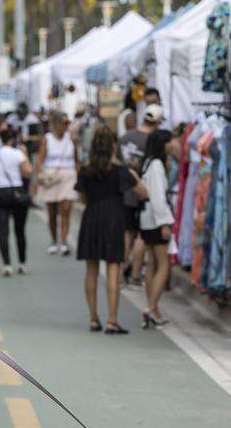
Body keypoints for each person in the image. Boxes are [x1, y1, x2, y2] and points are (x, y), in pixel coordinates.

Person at [75, 127, 148, 334]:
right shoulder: (120, 171)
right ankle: (112, 320)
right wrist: (132, 172)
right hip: (114, 218)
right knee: (113, 269)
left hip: (91, 217)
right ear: (113, 146)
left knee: (91, 269)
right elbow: (143, 192)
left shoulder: (86, 170)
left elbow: (81, 197)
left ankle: (93, 319)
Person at [119, 105, 164, 286]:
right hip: (143, 191)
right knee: (140, 236)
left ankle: (121, 269)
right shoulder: (152, 140)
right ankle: (135, 275)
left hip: (124, 191)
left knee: (127, 233)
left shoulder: (125, 138)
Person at [138, 129, 175, 328]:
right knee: (163, 264)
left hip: (146, 219)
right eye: (170, 141)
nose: (173, 144)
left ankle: (153, 307)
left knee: (152, 262)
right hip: (156, 219)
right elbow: (159, 197)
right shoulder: (157, 165)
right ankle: (151, 306)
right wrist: (165, 223)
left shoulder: (147, 163)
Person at [0, 127, 32, 276]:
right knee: (20, 230)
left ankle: (6, 265)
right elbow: (28, 172)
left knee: (3, 231)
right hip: (17, 192)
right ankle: (22, 263)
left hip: (0, 192)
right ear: (13, 139)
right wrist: (25, 154)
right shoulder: (18, 153)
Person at [36, 111, 79, 256]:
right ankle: (54, 240)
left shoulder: (71, 139)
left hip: (68, 176)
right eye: (64, 122)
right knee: (52, 211)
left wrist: (79, 178)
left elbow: (77, 160)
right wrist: (41, 175)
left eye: (68, 122)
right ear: (56, 123)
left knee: (65, 209)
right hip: (51, 177)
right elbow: (40, 160)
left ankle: (64, 242)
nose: (66, 126)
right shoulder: (47, 139)